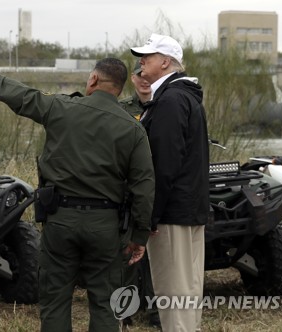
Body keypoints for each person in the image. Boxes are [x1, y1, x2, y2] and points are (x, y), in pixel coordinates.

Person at [0, 58, 155, 332]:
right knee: (105, 304)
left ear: (92, 80)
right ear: (120, 86)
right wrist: (139, 236)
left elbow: (20, 95)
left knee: (55, 301)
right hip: (107, 226)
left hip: (60, 221)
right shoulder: (133, 128)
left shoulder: (60, 107)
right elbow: (144, 186)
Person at [130, 33, 209, 332]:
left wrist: (149, 217)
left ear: (165, 63)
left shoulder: (171, 101)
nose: (141, 62)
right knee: (187, 292)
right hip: (187, 208)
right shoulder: (183, 96)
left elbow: (163, 165)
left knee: (174, 295)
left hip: (172, 214)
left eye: (147, 57)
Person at [119, 60, 160, 329]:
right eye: (138, 75)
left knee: (160, 257)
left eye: (147, 75)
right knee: (129, 256)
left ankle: (158, 312)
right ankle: (125, 310)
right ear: (132, 79)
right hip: (131, 191)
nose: (143, 80)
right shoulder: (122, 109)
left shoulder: (165, 105)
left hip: (160, 190)